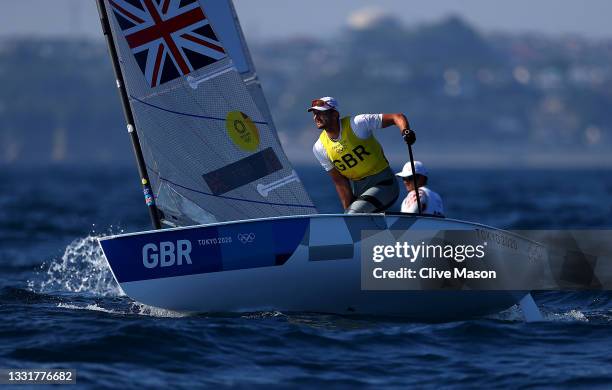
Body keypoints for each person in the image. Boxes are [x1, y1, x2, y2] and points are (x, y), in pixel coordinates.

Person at [309, 96, 416, 213]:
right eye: (314, 113)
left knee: (353, 214)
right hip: (360, 192)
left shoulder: (358, 124)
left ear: (335, 114)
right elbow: (340, 182)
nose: (316, 117)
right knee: (350, 216)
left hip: (384, 184)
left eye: (320, 113)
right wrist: (347, 215)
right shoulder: (319, 148)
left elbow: (397, 117)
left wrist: (405, 131)